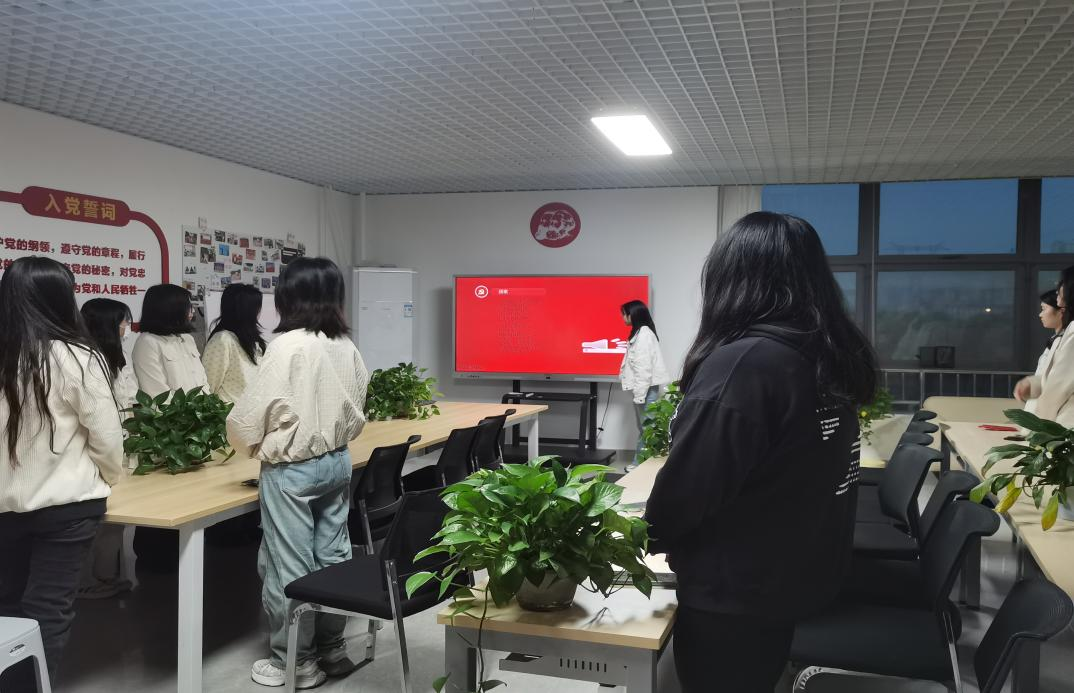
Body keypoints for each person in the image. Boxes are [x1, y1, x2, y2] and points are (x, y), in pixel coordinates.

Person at [644, 212, 877, 693]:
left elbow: (685, 493)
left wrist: (642, 536)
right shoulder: (819, 356)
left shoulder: (745, 365)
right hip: (795, 577)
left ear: (731, 279)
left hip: (737, 597)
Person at [227, 257, 369, 689]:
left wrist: (248, 446)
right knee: (334, 556)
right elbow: (360, 399)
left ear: (288, 296)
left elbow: (249, 417)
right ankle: (333, 649)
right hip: (337, 461)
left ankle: (296, 661)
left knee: (288, 563)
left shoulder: (287, 345)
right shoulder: (344, 345)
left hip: (291, 469)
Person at [0, 257, 125, 687]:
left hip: (4, 508)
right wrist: (112, 477)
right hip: (67, 508)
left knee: (8, 607)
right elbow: (107, 438)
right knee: (48, 610)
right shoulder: (77, 356)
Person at [77, 298, 137, 599]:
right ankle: (87, 581)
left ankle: (106, 574)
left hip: (120, 446)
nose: (127, 327)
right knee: (96, 520)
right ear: (107, 324)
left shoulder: (117, 354)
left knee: (116, 518)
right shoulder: (85, 360)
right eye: (122, 321)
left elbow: (130, 397)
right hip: (95, 451)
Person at [1015, 268, 1074, 426]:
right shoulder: (1064, 335)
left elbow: (1059, 387)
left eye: (1062, 284)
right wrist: (1032, 384)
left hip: (1063, 423)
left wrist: (1040, 428)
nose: (1058, 288)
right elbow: (1053, 378)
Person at [131, 284, 207, 397]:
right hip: (173, 409)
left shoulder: (187, 339)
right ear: (171, 309)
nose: (192, 312)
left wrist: (209, 405)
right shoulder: (147, 342)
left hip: (201, 407)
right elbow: (157, 393)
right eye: (188, 307)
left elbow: (203, 381)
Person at [618, 300, 670, 464]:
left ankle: (638, 464)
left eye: (624, 314)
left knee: (648, 430)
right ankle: (640, 464)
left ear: (632, 315)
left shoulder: (644, 335)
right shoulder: (640, 333)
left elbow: (643, 369)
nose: (623, 318)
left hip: (646, 389)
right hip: (645, 389)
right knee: (645, 429)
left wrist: (639, 396)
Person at [203, 283, 265, 403]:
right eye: (256, 307)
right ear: (245, 310)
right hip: (229, 411)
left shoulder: (251, 339)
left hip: (251, 410)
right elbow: (209, 385)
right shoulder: (222, 340)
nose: (258, 312)